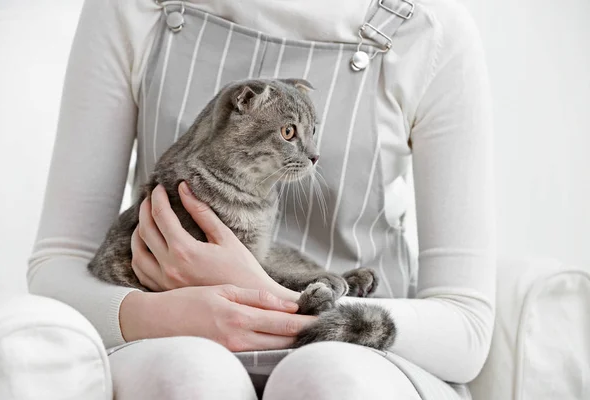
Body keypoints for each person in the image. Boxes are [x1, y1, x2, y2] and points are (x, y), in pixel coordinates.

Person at [28, 0, 496, 398]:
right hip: (167, 333)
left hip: (361, 349)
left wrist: (269, 296)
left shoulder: (429, 31)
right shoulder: (133, 10)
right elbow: (58, 264)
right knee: (190, 373)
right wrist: (152, 314)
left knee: (328, 378)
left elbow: (468, 329)